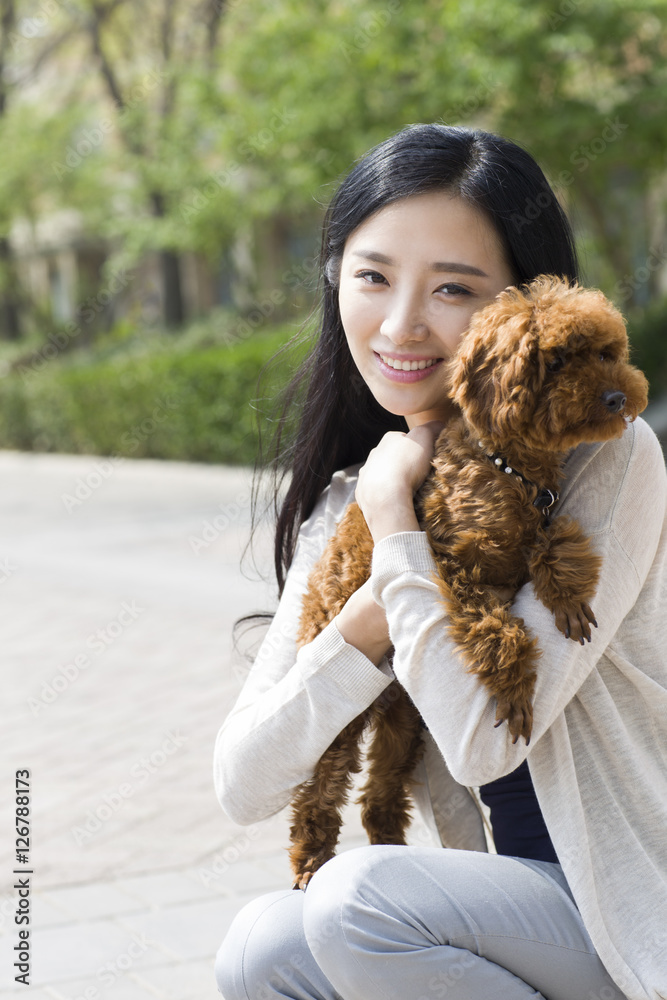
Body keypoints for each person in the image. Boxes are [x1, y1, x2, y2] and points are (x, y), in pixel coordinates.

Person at [213, 124, 667, 1000]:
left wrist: (396, 534)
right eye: (372, 276)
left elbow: (481, 739)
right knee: (259, 947)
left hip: (631, 910)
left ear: (522, 307)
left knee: (362, 902)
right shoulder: (354, 493)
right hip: (513, 907)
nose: (401, 324)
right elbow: (242, 782)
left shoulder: (605, 461)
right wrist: (367, 612)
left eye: (452, 288)